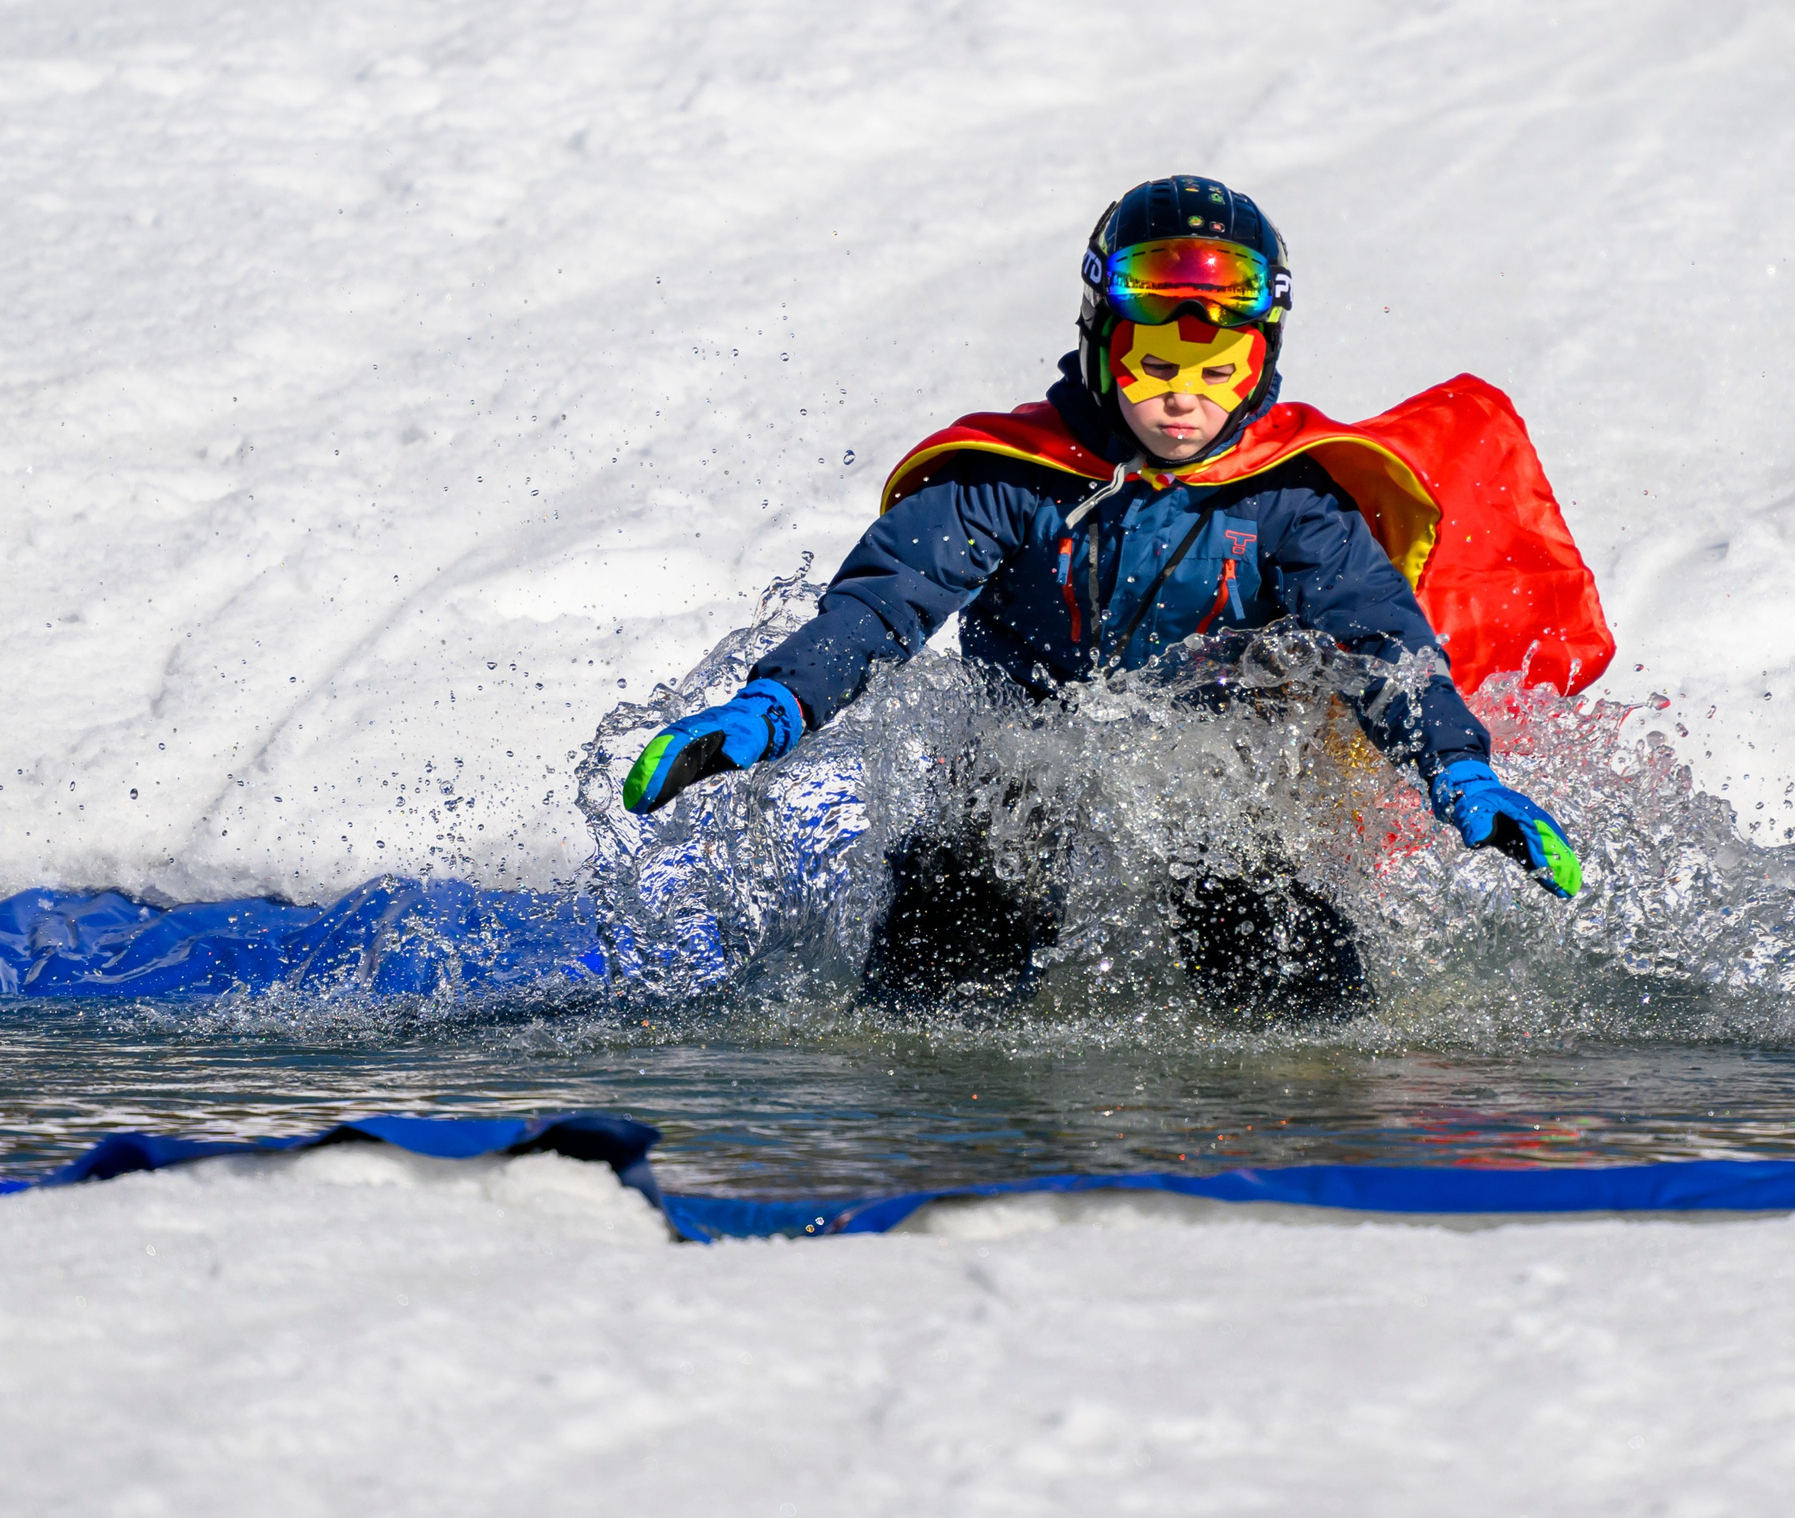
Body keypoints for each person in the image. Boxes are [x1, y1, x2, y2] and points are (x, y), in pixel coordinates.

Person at [621, 175, 1585, 1022]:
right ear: (1099, 344)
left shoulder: (1290, 498)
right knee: (938, 970)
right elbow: (883, 609)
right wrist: (776, 703)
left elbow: (1383, 651)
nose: (1182, 400)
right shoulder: (1016, 477)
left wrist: (1461, 775)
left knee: (1296, 996)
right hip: (1022, 769)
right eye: (1153, 365)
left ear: (1262, 364)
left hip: (1212, 779)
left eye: (1218, 372)